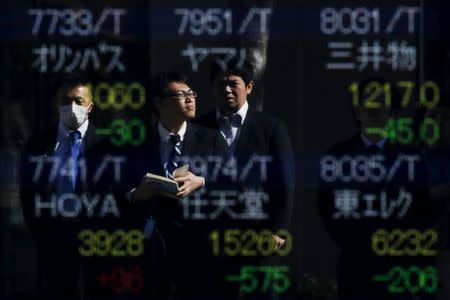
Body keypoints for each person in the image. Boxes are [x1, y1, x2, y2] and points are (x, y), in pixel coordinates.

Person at [318, 80, 435, 300]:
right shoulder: (338, 155)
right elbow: (326, 206)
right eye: (367, 101)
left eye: (381, 101)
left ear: (391, 110)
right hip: (355, 263)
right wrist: (356, 242)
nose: (374, 107)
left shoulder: (409, 157)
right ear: (357, 110)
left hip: (399, 266)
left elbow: (422, 208)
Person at [194, 58, 295, 298]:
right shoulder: (198, 127)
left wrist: (278, 230)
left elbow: (284, 183)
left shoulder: (270, 128)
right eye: (220, 84)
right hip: (212, 240)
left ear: (249, 86)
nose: (227, 90)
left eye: (233, 83)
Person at [125, 72, 214, 299]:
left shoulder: (210, 139)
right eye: (181, 95)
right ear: (159, 102)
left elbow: (232, 179)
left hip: (196, 245)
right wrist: (136, 194)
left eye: (192, 94)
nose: (190, 99)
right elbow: (119, 186)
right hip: (150, 246)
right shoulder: (138, 139)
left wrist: (201, 181)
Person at [20, 75, 105, 300]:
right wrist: (42, 232)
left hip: (96, 239)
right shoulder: (38, 144)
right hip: (54, 238)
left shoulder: (107, 144)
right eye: (66, 101)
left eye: (78, 101)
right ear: (57, 104)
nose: (72, 107)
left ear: (90, 106)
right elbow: (28, 194)